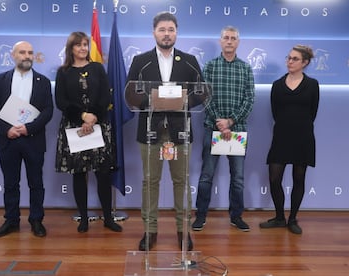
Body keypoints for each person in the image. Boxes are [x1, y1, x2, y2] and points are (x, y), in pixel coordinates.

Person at [126, 12, 205, 251]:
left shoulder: (190, 60)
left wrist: (181, 102)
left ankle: (184, 232)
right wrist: (153, 102)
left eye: (171, 29)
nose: (167, 34)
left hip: (180, 131)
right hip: (150, 130)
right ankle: (150, 231)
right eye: (162, 29)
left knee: (181, 181)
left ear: (176, 32)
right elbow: (131, 93)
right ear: (154, 32)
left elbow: (201, 92)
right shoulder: (141, 61)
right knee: (150, 181)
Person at [55, 31, 122, 233]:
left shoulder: (97, 68)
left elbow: (105, 96)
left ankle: (108, 218)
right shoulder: (63, 72)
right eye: (78, 45)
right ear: (71, 49)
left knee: (103, 174)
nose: (83, 48)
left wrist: (93, 116)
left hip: (99, 125)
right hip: (75, 127)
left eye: (85, 44)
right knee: (79, 174)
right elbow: (61, 101)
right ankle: (83, 218)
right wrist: (82, 117)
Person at [192, 26, 255, 232]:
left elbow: (249, 100)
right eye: (226, 38)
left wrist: (230, 122)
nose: (229, 41)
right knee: (206, 175)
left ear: (238, 42)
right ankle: (200, 216)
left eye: (233, 38)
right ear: (220, 41)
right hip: (213, 128)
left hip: (237, 131)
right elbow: (205, 96)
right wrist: (220, 122)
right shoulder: (210, 66)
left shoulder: (246, 69)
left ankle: (236, 216)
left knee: (238, 178)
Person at [0, 41, 53, 238]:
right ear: (13, 55)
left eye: (30, 53)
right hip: (8, 140)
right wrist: (7, 129)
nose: (27, 56)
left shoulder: (43, 81)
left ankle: (36, 220)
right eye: (22, 52)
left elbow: (48, 110)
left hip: (33, 139)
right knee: (10, 183)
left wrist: (28, 128)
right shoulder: (1, 79)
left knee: (36, 183)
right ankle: (11, 220)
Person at [259, 45, 319, 235]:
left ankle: (292, 218)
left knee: (298, 178)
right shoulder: (277, 85)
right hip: (282, 136)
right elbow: (275, 112)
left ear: (305, 63)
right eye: (288, 58)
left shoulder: (312, 84)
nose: (289, 61)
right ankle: (279, 217)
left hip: (303, 137)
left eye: (294, 59)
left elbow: (313, 112)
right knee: (274, 178)